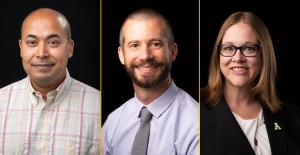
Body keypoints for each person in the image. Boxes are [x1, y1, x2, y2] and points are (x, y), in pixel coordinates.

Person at [0, 8, 100, 154]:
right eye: (32, 42)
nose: (41, 54)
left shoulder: (99, 107)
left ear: (70, 48)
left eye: (53, 42)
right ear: (21, 48)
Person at [200, 11, 300, 155]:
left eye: (249, 48)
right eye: (228, 48)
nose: (238, 58)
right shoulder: (193, 111)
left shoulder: (291, 114)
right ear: (218, 55)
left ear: (264, 55)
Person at [102, 8, 199, 155]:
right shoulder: (112, 123)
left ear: (172, 52)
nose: (145, 56)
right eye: (134, 45)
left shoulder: (195, 125)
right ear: (122, 55)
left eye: (155, 44)